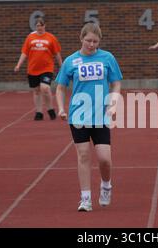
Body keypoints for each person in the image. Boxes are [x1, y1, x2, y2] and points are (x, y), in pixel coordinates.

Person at [55, 22, 122, 212]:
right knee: (83, 156)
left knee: (104, 159)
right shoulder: (71, 61)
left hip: (101, 115)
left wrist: (114, 101)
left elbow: (116, 83)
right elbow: (60, 87)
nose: (92, 45)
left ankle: (106, 185)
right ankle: (85, 198)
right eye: (88, 41)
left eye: (95, 41)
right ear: (81, 39)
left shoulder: (107, 58)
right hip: (78, 115)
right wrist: (60, 108)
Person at [15, 17, 62, 120]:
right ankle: (39, 112)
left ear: (45, 26)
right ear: (35, 27)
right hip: (33, 68)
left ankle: (50, 109)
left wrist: (61, 66)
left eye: (41, 25)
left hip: (47, 68)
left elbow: (57, 53)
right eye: (37, 26)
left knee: (45, 87)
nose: (39, 27)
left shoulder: (51, 38)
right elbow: (24, 52)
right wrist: (18, 65)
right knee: (36, 90)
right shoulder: (30, 38)